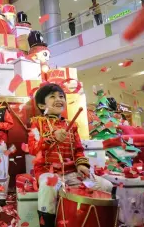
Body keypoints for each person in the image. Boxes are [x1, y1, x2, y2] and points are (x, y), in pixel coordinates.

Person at [26, 83, 113, 227]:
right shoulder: (37, 124)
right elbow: (33, 148)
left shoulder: (71, 126)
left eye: (61, 96)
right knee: (48, 186)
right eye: (52, 96)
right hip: (49, 172)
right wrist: (52, 137)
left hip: (72, 173)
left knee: (105, 185)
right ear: (42, 106)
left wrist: (82, 164)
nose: (59, 99)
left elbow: (78, 149)